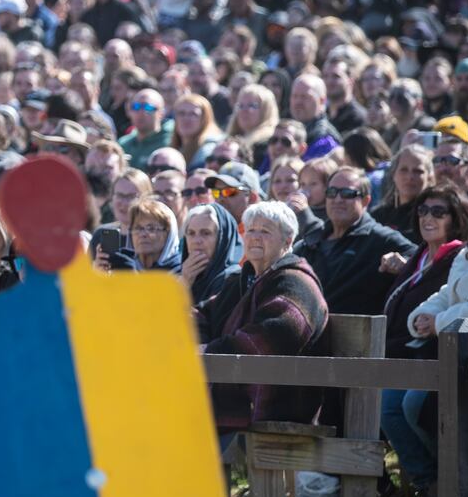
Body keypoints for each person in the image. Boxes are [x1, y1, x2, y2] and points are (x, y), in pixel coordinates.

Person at [196, 201, 330, 446]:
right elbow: (204, 314)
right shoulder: (244, 279)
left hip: (276, 404)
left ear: (288, 240)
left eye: (265, 231)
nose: (255, 237)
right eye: (250, 230)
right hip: (237, 393)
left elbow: (274, 335)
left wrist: (208, 351)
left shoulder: (296, 281)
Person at [375, 185, 468, 497]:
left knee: (411, 406)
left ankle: (452, 479)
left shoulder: (458, 256)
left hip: (437, 354)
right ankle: (428, 483)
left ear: (455, 218)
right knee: (388, 409)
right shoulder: (420, 255)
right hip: (406, 353)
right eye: (422, 210)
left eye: (438, 212)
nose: (428, 217)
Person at [295, 165, 417, 316]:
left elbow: (423, 260)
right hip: (310, 332)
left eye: (348, 193)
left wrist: (403, 263)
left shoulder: (379, 238)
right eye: (332, 192)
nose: (338, 199)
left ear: (366, 201)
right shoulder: (309, 242)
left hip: (357, 334)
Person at [178, 202, 242, 309]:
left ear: (222, 239)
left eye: (206, 233)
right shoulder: (184, 274)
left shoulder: (232, 279)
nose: (196, 241)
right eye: (191, 233)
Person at [101, 197, 181, 274]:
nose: (143, 234)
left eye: (151, 228)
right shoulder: (122, 267)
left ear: (169, 234)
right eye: (138, 228)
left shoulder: (182, 272)